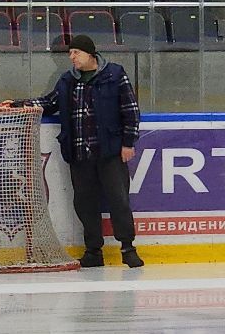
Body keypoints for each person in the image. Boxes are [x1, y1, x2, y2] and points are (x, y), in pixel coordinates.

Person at [8, 34, 144, 268]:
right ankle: (93, 251)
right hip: (79, 153)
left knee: (118, 200)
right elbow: (50, 102)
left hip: (109, 151)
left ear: (90, 53)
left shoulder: (114, 74)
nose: (72, 57)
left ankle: (128, 248)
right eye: (70, 53)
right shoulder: (67, 80)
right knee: (85, 203)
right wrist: (20, 104)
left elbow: (130, 109)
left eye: (76, 52)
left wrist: (128, 143)